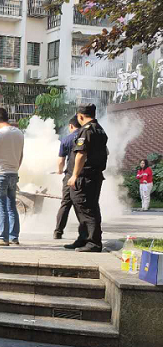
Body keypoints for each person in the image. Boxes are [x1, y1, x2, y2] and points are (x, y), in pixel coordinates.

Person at [65, 104, 109, 253]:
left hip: (85, 177)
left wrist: (74, 175)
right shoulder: (99, 129)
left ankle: (93, 242)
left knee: (87, 209)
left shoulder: (87, 130)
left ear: (80, 116)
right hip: (93, 176)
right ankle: (83, 238)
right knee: (86, 208)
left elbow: (81, 154)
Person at [0, 107, 24, 246]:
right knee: (11, 206)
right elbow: (21, 155)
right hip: (13, 173)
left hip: (0, 174)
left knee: (1, 207)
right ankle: (14, 237)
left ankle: (3, 238)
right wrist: (15, 168)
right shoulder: (19, 133)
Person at [54, 117, 82, 239]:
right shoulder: (86, 136)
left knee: (65, 203)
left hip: (70, 175)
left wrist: (60, 170)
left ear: (71, 126)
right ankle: (85, 232)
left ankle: (58, 231)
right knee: (82, 204)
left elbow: (61, 160)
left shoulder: (66, 139)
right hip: (84, 175)